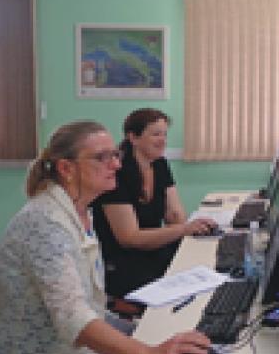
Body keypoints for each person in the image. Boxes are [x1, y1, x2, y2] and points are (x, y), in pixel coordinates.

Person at [0, 122, 211, 354]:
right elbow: (74, 320)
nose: (116, 164)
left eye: (115, 155)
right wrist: (148, 353)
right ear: (66, 169)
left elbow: (88, 303)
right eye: (102, 157)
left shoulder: (79, 211)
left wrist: (145, 338)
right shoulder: (45, 223)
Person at [92, 109, 215, 307]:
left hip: (152, 249)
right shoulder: (118, 173)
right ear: (133, 137)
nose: (163, 140)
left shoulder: (159, 165)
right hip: (124, 261)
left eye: (165, 134)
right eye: (156, 134)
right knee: (188, 288)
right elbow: (130, 238)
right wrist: (182, 229)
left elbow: (175, 215)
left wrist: (186, 226)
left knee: (202, 266)